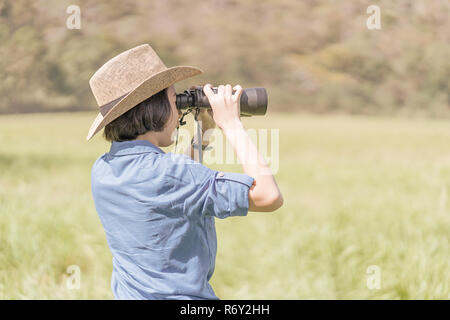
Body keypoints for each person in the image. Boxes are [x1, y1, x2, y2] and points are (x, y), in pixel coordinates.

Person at [87, 44, 283, 300]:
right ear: (154, 107)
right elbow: (268, 196)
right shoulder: (170, 175)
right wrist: (231, 124)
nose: (179, 109)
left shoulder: (103, 169)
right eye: (173, 98)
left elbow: (170, 190)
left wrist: (205, 132)